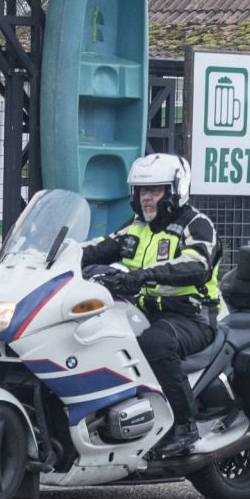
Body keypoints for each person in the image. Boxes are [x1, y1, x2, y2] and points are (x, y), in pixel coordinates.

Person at [79, 154, 222, 460]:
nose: (146, 197)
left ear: (175, 190)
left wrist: (141, 276)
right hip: (144, 312)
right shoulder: (136, 226)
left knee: (155, 343)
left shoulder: (197, 225)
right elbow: (100, 246)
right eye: (142, 190)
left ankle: (185, 426)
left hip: (191, 316)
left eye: (155, 190)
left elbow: (196, 265)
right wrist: (53, 257)